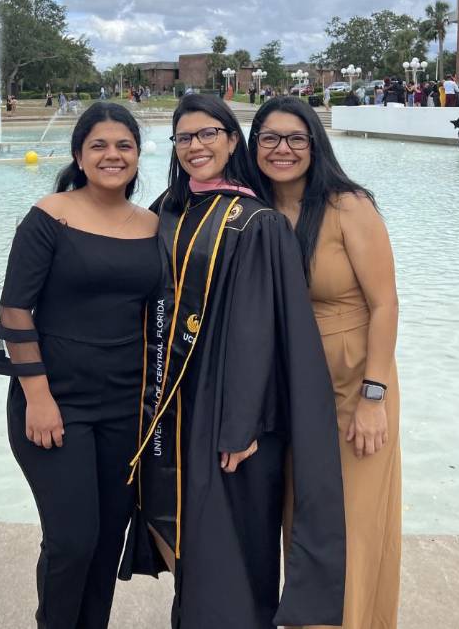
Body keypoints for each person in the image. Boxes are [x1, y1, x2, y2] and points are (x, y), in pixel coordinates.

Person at [120, 94, 345, 628]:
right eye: (184, 137)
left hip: (227, 415)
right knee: (187, 541)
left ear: (230, 139)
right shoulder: (169, 207)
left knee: (229, 549)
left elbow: (257, 330)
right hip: (173, 408)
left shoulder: (255, 221)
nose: (196, 146)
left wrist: (241, 424)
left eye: (207, 134)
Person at [0, 103, 160, 629]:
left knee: (106, 542)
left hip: (126, 405)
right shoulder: (48, 215)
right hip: (56, 402)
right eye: (99, 145)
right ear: (79, 155)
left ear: (138, 156)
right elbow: (15, 308)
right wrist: (38, 397)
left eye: (124, 145)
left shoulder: (152, 225)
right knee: (72, 539)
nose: (112, 155)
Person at [249, 96, 401, 629]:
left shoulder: (347, 206)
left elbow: (385, 304)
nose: (282, 149)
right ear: (255, 144)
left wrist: (373, 397)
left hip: (352, 378)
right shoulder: (253, 209)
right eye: (270, 137)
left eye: (296, 138)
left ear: (315, 144)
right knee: (301, 519)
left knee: (350, 527)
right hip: (292, 382)